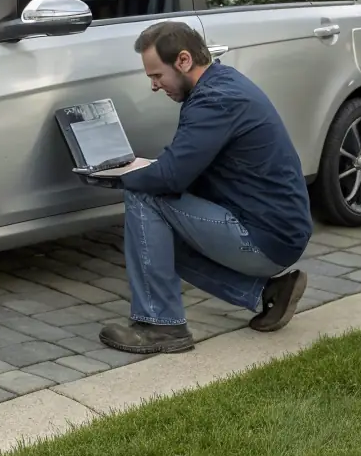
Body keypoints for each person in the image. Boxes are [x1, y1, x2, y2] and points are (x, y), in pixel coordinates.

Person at [94, 21, 313, 354]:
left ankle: (160, 326)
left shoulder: (215, 101)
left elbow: (170, 178)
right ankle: (268, 293)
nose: (155, 86)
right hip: (276, 231)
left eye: (156, 76)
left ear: (183, 61)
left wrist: (118, 175)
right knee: (156, 240)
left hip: (264, 237)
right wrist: (151, 168)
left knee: (143, 194)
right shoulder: (220, 85)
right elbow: (182, 167)